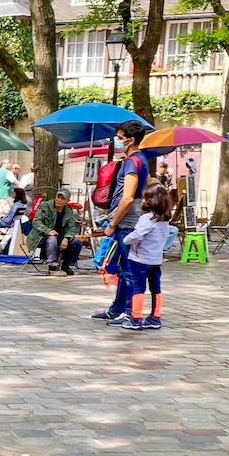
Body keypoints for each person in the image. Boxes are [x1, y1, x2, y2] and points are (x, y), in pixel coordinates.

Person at [92, 120, 150, 323]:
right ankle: (118, 307)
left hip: (127, 221)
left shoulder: (133, 162)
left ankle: (128, 310)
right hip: (129, 218)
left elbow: (128, 197)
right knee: (121, 266)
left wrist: (113, 224)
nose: (117, 141)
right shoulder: (138, 160)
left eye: (119, 138)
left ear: (130, 140)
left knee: (128, 268)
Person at [120, 182, 170, 330]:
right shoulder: (164, 219)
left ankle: (136, 318)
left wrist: (126, 240)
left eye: (144, 198)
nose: (142, 201)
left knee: (138, 287)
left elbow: (138, 234)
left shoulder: (146, 218)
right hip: (156, 259)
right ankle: (155, 316)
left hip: (139, 259)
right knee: (156, 287)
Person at [28, 187, 82, 275]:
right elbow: (36, 221)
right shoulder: (45, 206)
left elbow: (71, 227)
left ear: (67, 201)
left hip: (59, 236)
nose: (59, 200)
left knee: (77, 242)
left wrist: (66, 238)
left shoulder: (68, 210)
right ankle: (52, 267)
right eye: (58, 197)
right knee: (52, 238)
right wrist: (48, 231)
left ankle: (66, 266)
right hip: (41, 237)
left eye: (62, 198)